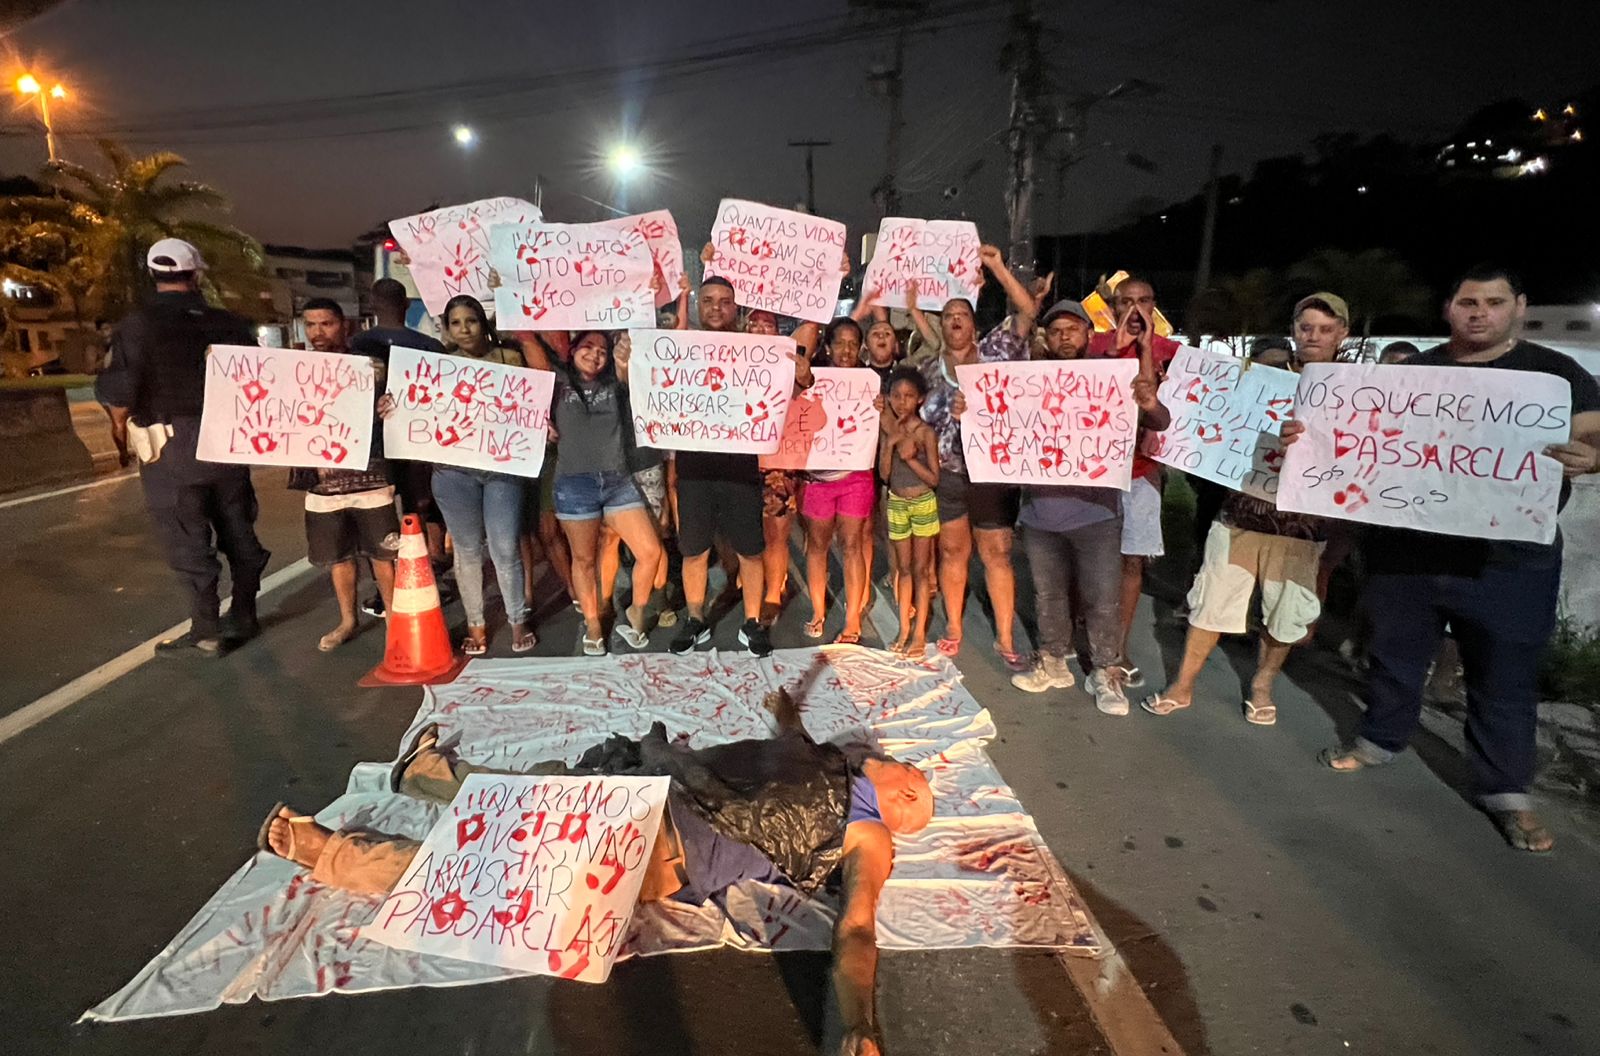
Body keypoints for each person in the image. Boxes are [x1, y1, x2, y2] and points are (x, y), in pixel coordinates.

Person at [261, 687, 932, 1056]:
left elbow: (858, 929)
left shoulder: (869, 831)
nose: (893, 761)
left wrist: (861, 1024)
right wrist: (790, 720)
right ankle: (426, 777)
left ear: (901, 800)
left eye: (913, 779)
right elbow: (779, 754)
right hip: (654, 784)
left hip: (660, 843)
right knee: (532, 792)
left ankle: (332, 855)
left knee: (497, 869)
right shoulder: (829, 762)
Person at [1311, 265, 1600, 854]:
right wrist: (1306, 443)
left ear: (1518, 306)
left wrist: (1589, 458)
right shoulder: (1411, 375)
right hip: (1408, 551)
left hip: (1511, 558)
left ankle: (1506, 792)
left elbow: (1593, 434)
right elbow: (1350, 440)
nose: (1479, 313)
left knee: (1504, 676)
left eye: (1494, 302)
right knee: (1394, 655)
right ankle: (1379, 739)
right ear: (1448, 309)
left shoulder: (1556, 373)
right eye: (1467, 301)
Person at [1141, 293, 1351, 724]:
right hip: (1241, 515)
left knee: (1284, 612)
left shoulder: (1358, 394)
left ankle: (1262, 684)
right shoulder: (1260, 379)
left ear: (1342, 333)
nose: (1313, 336)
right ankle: (1183, 684)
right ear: (1293, 330)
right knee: (1211, 603)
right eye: (1305, 327)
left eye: (1325, 329)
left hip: (1303, 529)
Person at [95, 238, 271, 656]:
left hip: (172, 449)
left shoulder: (138, 325)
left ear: (154, 275)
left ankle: (207, 631)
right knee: (239, 531)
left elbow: (119, 394)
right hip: (229, 443)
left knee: (187, 537)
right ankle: (245, 614)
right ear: (195, 275)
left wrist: (121, 434)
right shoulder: (229, 323)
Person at [1010, 300, 1165, 714]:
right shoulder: (1028, 379)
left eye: (1072, 329)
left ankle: (1105, 672)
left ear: (1087, 334)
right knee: (1049, 595)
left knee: (1102, 598)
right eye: (1056, 330)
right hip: (1041, 512)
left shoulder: (1111, 379)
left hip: (1097, 514)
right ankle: (1054, 659)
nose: (1064, 337)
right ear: (1047, 337)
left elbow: (1160, 422)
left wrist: (1147, 402)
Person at [668, 276, 816, 658]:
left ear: (736, 308)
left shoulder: (757, 351)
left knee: (751, 549)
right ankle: (696, 619)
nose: (716, 307)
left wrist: (803, 377)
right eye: (709, 300)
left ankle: (752, 623)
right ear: (699, 306)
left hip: (740, 467)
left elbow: (790, 388)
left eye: (725, 301)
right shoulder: (684, 348)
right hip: (694, 467)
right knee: (694, 550)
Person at [924, 246, 1043, 666]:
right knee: (954, 553)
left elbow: (1028, 313)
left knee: (996, 554)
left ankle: (1006, 636)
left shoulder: (997, 352)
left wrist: (996, 267)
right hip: (951, 476)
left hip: (993, 474)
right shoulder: (926, 370)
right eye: (948, 316)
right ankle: (954, 626)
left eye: (963, 315)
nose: (955, 320)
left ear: (973, 325)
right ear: (940, 325)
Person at [537, 329, 662, 655]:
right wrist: (541, 422)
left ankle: (636, 611)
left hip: (617, 482)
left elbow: (625, 367)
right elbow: (525, 343)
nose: (595, 354)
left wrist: (623, 355)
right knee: (584, 560)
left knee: (650, 552)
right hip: (575, 485)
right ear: (573, 349)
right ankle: (593, 626)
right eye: (587, 347)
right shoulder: (557, 383)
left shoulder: (615, 383)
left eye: (602, 350)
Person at [1088, 275, 1182, 689]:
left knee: (1130, 563)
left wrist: (1145, 352)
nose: (1135, 310)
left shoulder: (1173, 354)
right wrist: (1116, 349)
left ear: (1155, 305)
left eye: (1143, 301)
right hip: (1094, 474)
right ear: (1112, 308)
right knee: (1090, 559)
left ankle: (1118, 646)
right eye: (1125, 302)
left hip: (1141, 473)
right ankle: (1087, 634)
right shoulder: (1096, 348)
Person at [292, 298, 399, 652]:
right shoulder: (291, 372)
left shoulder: (374, 369)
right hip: (323, 484)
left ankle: (397, 623)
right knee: (339, 558)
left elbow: (397, 409)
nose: (318, 332)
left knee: (383, 555)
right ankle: (347, 621)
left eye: (326, 324)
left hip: (371, 476)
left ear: (344, 325)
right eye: (311, 324)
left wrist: (389, 407)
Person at [430, 295, 534, 656]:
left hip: (502, 468)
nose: (464, 329)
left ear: (483, 323)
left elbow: (530, 403)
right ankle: (476, 622)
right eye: (456, 323)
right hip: (453, 472)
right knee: (468, 551)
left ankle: (517, 619)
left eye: (471, 321)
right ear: (447, 327)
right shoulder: (437, 366)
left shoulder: (509, 359)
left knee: (505, 547)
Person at [351, 278, 448, 617]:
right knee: (417, 511)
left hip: (372, 445)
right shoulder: (431, 346)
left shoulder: (358, 344)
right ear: (407, 305)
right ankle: (426, 575)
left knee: (380, 518)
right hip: (418, 443)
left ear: (372, 306)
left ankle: (387, 591)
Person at [801, 318, 878, 644]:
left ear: (859, 347)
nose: (846, 350)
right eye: (840, 343)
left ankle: (852, 621)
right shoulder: (810, 379)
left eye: (852, 343)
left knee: (851, 546)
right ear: (828, 346)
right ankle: (818, 611)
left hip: (856, 477)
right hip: (817, 479)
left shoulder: (870, 383)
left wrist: (882, 408)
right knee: (817, 546)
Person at [878, 367, 939, 654]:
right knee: (902, 569)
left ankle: (918, 635)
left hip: (922, 502)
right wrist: (889, 445)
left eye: (909, 396)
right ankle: (903, 628)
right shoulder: (889, 432)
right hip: (897, 502)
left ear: (920, 400)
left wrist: (913, 460)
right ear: (889, 398)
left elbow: (934, 478)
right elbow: (885, 475)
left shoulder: (926, 433)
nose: (902, 402)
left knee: (921, 570)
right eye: (897, 396)